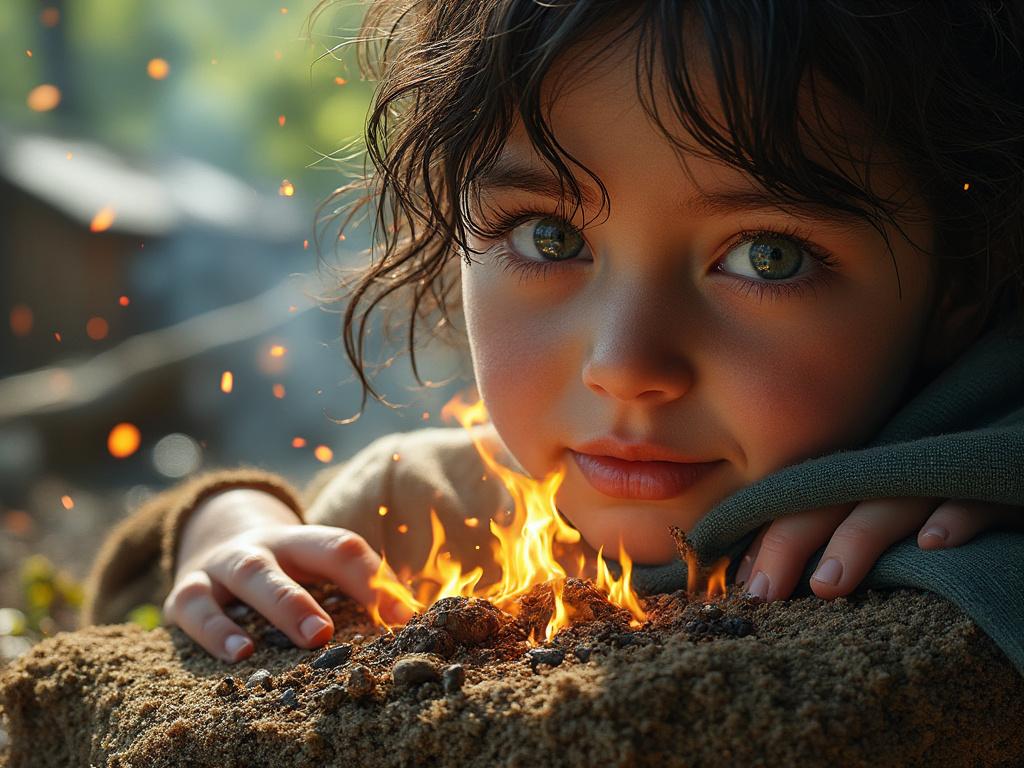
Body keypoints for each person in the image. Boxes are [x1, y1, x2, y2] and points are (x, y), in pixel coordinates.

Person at [81, 0, 1024, 670]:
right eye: (550, 237)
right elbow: (125, 642)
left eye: (767, 256)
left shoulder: (969, 509)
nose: (625, 366)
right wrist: (228, 524)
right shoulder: (424, 512)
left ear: (960, 283)